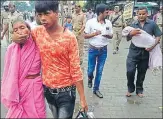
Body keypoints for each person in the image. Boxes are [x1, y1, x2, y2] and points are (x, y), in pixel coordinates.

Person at [11, 1, 88, 118]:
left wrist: (82, 98)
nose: (43, 18)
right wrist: (14, 37)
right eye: (40, 15)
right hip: (47, 91)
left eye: (46, 14)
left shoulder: (69, 37)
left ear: (57, 13)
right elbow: (21, 36)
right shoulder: (37, 32)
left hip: (66, 93)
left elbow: (76, 70)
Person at [1, 19, 46, 118]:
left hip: (35, 87)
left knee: (38, 114)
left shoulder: (38, 44)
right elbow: (8, 74)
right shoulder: (11, 49)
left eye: (22, 27)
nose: (19, 31)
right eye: (15, 30)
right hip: (18, 88)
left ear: (29, 30)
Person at [126, 7, 161, 97]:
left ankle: (139, 90)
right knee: (130, 71)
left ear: (147, 14)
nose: (141, 16)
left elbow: (158, 36)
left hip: (145, 52)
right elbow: (127, 38)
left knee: (142, 72)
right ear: (137, 14)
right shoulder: (133, 24)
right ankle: (130, 88)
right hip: (133, 51)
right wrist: (131, 34)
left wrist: (152, 46)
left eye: (143, 14)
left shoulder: (152, 24)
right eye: (139, 14)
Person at [84, 3, 113, 98]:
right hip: (93, 49)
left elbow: (111, 35)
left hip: (103, 50)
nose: (108, 13)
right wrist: (95, 34)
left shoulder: (108, 22)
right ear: (100, 12)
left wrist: (107, 35)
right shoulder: (90, 22)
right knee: (90, 69)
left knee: (99, 71)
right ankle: (89, 78)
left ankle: (96, 89)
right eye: (106, 11)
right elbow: (85, 36)